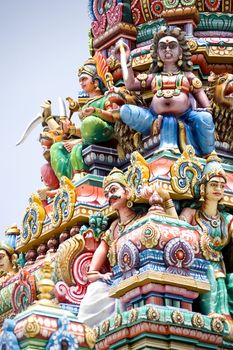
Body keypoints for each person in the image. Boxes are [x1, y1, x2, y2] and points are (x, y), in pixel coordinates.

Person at [116, 27, 215, 157]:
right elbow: (130, 84)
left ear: (180, 52)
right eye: (163, 47)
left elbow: (206, 106)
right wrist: (125, 60)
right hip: (153, 117)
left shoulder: (188, 76)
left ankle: (209, 155)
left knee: (206, 118)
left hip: (187, 116)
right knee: (125, 111)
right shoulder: (153, 77)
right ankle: (155, 125)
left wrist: (207, 110)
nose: (167, 50)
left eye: (172, 46)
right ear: (157, 53)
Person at [179, 155, 233, 319]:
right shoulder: (190, 214)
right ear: (203, 188)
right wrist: (167, 203)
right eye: (213, 184)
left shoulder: (227, 219)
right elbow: (175, 233)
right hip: (195, 266)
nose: (218, 188)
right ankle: (211, 314)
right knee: (209, 271)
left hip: (220, 267)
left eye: (222, 186)